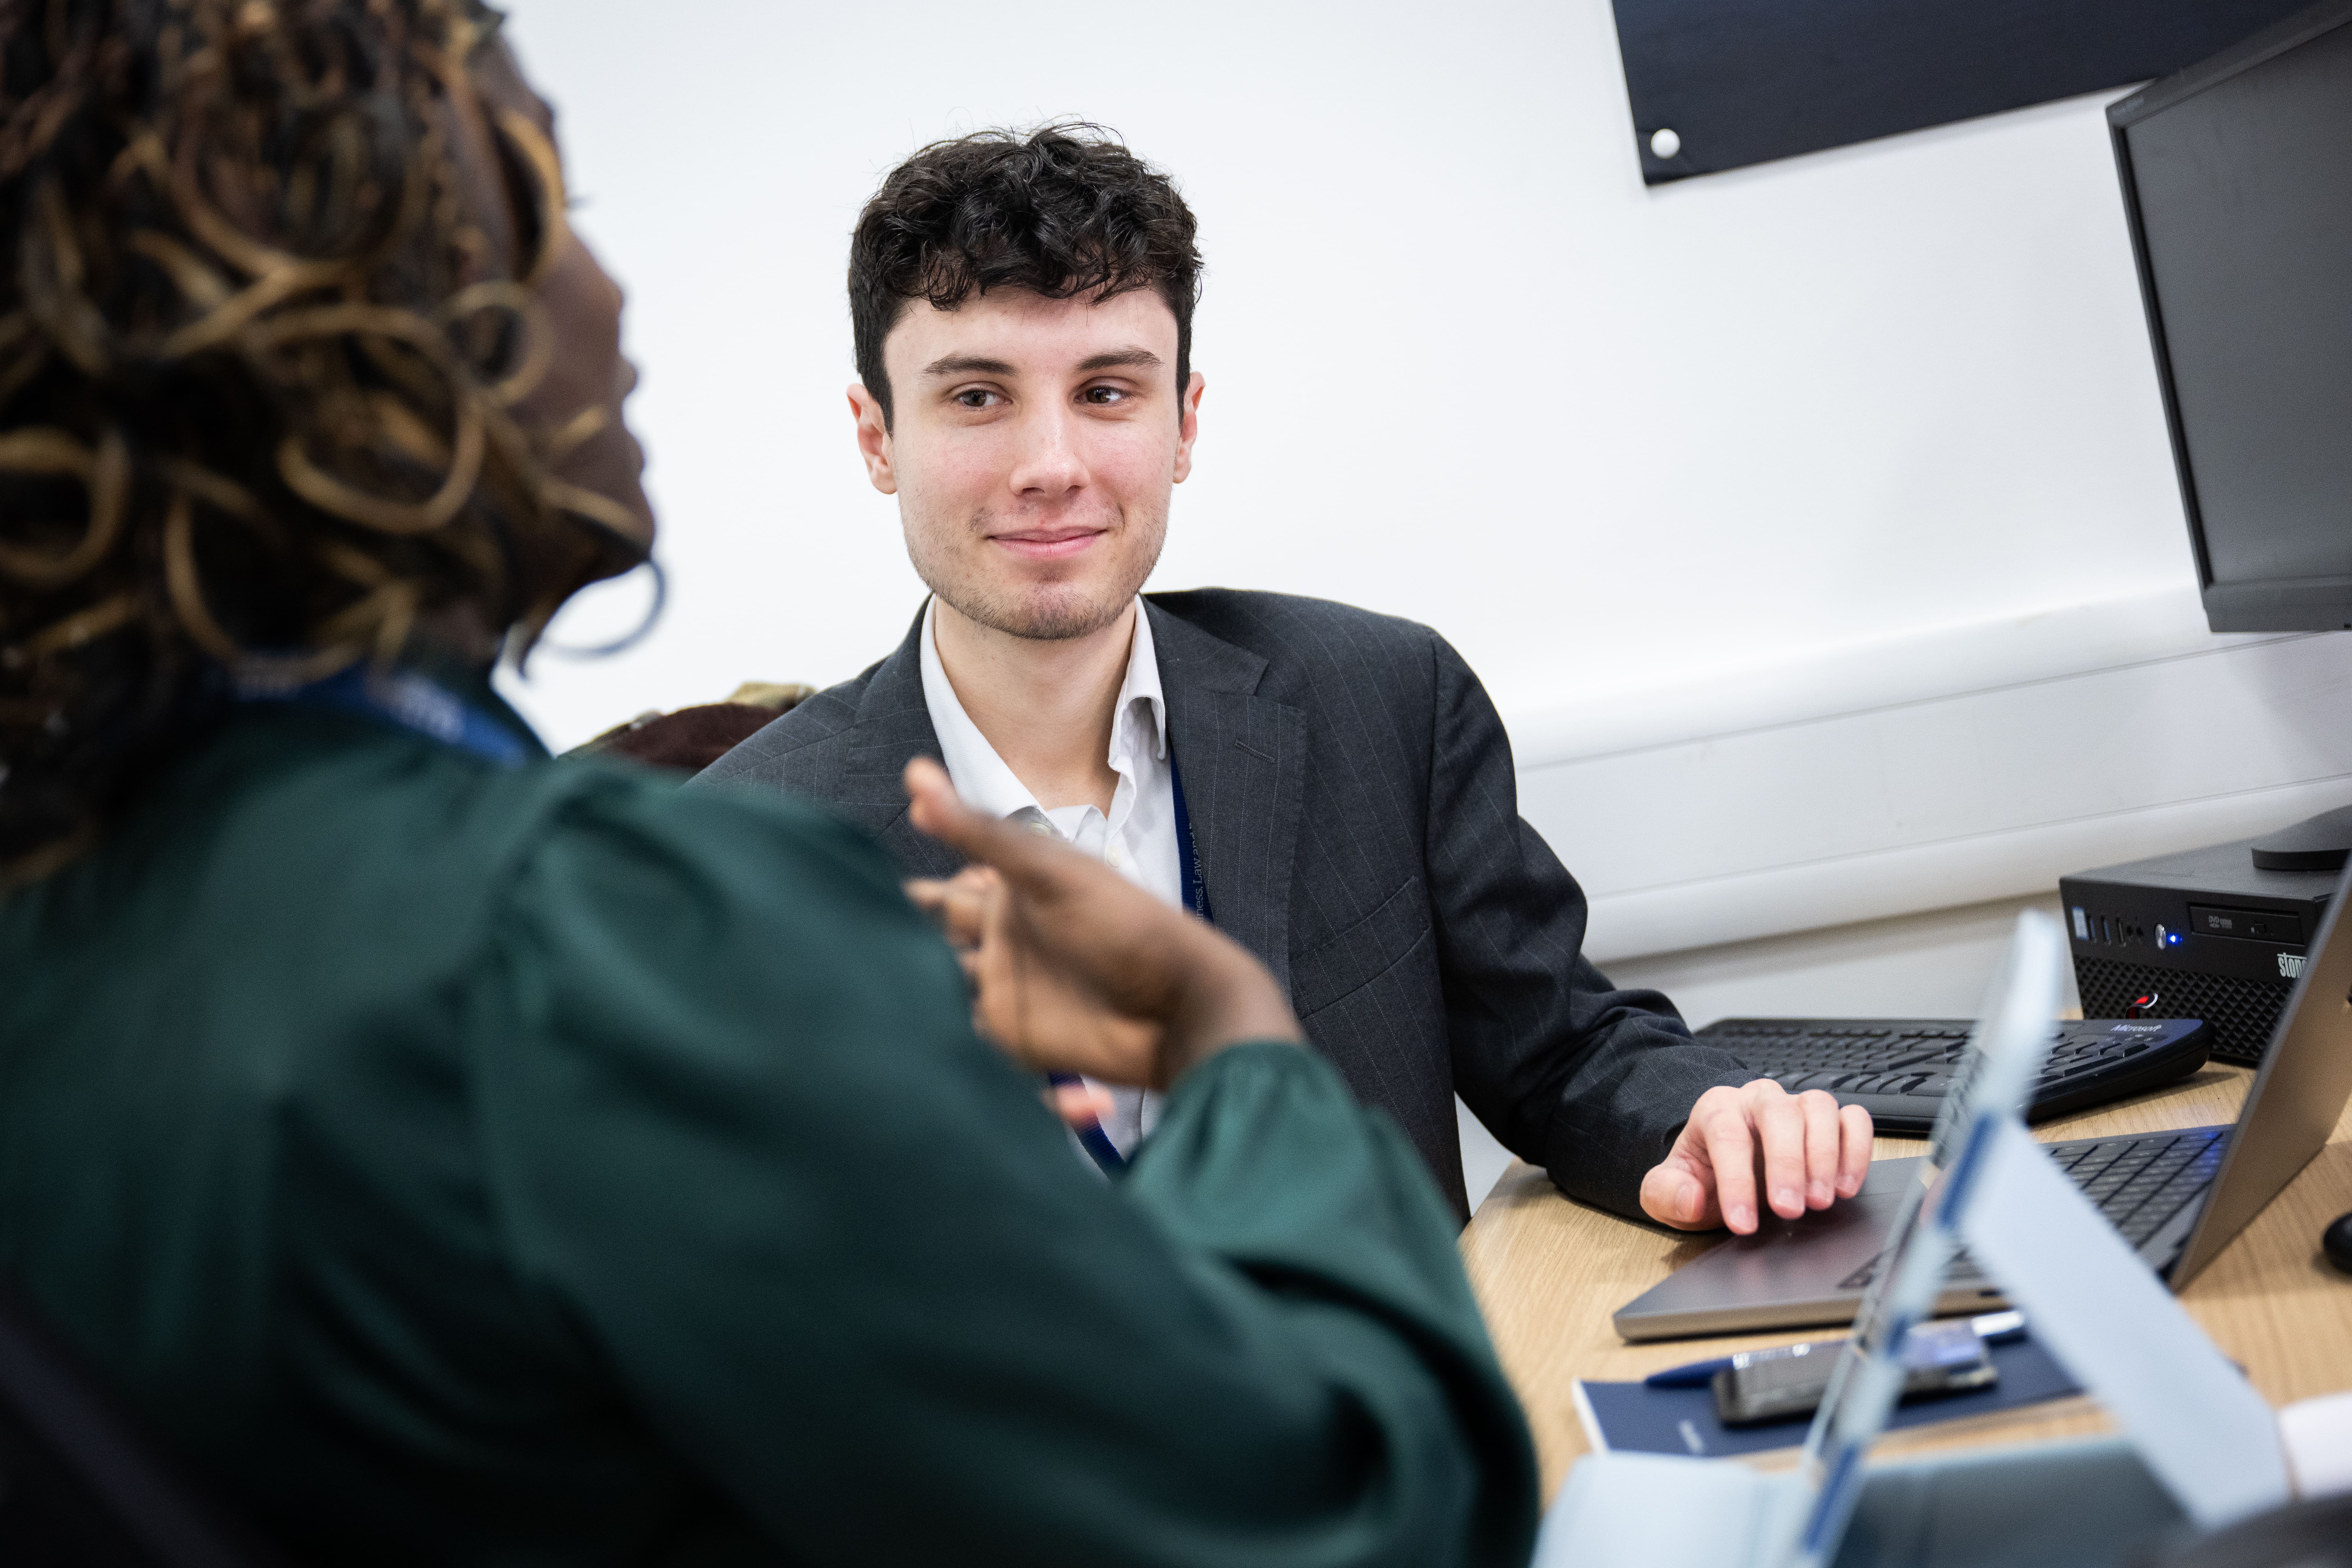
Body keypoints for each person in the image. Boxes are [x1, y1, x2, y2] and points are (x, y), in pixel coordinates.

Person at [0, 5, 1537, 1562]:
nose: (614, 298)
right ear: (350, 334)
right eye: (554, 208)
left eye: (1109, 389)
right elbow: (1352, 1512)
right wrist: (1236, 1055)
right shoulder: (613, 938)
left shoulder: (63, 939)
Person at [696, 126, 1876, 1227]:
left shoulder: (1381, 700)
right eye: (976, 397)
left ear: (1184, 422)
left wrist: (1708, 1125)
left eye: (1107, 392)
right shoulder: (730, 855)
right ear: (876, 438)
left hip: (1398, 1428)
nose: (1050, 466)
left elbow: (1563, 1053)